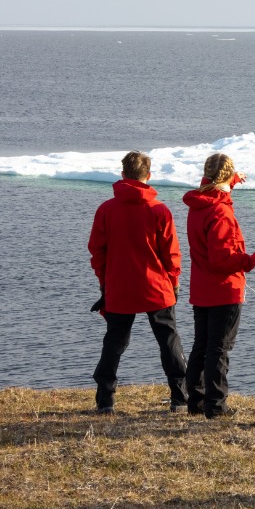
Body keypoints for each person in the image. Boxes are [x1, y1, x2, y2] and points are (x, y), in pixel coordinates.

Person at [88, 151, 188, 413]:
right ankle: (180, 397)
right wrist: (174, 282)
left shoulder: (106, 210)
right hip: (156, 285)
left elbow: (98, 251)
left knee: (114, 342)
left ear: (123, 175)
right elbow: (172, 253)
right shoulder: (159, 210)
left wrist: (103, 283)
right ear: (148, 176)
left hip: (119, 284)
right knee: (168, 340)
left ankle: (105, 400)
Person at [182, 153, 255, 419]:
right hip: (224, 289)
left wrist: (231, 182)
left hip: (202, 287)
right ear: (226, 176)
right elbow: (222, 258)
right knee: (219, 348)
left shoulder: (199, 205)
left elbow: (214, 191)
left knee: (202, 345)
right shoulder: (220, 212)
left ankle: (196, 401)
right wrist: (252, 260)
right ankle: (216, 406)